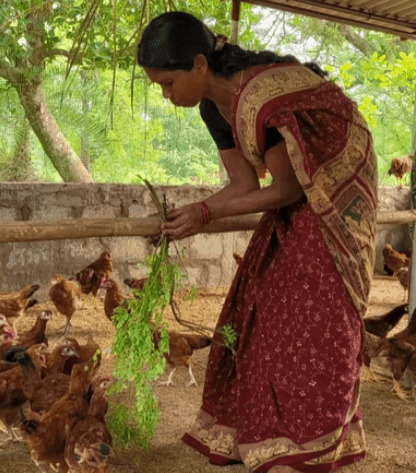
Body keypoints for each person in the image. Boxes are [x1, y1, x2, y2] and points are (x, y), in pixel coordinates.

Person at [138, 11, 377, 473]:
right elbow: (245, 184)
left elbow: (287, 189)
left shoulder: (264, 98)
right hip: (302, 199)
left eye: (168, 84)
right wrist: (190, 214)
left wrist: (205, 213)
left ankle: (308, 442)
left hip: (335, 196)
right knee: (260, 317)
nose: (167, 97)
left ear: (200, 64)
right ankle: (275, 441)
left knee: (311, 322)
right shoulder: (215, 106)